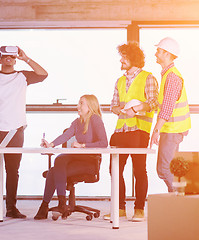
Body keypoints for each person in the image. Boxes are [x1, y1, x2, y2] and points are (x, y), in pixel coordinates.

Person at [0, 46, 48, 219]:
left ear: (15, 59)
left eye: (12, 56)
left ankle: (11, 208)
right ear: (0, 59)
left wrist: (26, 58)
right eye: (5, 56)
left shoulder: (22, 76)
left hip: (16, 129)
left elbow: (43, 74)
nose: (8, 58)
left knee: (13, 170)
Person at [104, 42, 159, 222]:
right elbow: (113, 105)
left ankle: (139, 209)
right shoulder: (119, 80)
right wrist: (120, 108)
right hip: (121, 129)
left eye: (124, 57)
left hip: (139, 130)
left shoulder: (148, 77)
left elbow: (153, 103)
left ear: (133, 58)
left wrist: (135, 108)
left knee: (139, 170)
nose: (121, 60)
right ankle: (119, 209)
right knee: (115, 169)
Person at [34, 94, 108, 220]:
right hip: (77, 158)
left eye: (81, 103)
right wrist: (50, 144)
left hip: (90, 161)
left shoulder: (95, 119)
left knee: (53, 171)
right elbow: (66, 135)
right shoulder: (77, 122)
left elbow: (104, 143)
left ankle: (46, 206)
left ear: (89, 107)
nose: (77, 106)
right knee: (59, 159)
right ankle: (61, 204)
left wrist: (83, 145)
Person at [150, 37, 191, 192]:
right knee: (170, 168)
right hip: (171, 129)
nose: (156, 53)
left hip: (173, 130)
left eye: (158, 51)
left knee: (164, 169)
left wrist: (156, 131)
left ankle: (179, 198)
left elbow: (167, 108)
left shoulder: (172, 77)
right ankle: (177, 200)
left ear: (167, 54)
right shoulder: (167, 74)